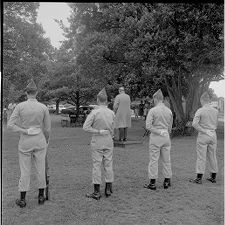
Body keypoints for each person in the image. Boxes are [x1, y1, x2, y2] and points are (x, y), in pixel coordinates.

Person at [7, 79, 51, 208]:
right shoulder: (43, 107)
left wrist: (24, 130)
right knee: (41, 168)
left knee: (25, 170)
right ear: (36, 92)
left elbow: (10, 125)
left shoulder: (20, 106)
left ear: (26, 92)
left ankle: (22, 199)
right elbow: (47, 129)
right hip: (39, 140)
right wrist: (46, 140)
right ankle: (41, 196)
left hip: (25, 140)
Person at [83, 87, 115, 200]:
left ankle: (97, 192)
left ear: (98, 100)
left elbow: (85, 127)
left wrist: (97, 131)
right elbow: (113, 127)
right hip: (108, 139)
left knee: (96, 165)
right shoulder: (111, 113)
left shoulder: (94, 113)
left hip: (97, 139)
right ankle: (108, 189)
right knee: (108, 164)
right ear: (106, 101)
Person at [144, 89, 173, 190]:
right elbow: (170, 127)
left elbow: (148, 126)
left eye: (153, 99)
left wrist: (158, 132)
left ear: (156, 98)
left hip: (156, 137)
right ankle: (166, 181)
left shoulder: (153, 110)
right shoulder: (169, 111)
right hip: (166, 137)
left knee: (153, 160)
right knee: (167, 160)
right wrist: (165, 133)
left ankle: (152, 183)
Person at [189, 92, 219, 184]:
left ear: (202, 100)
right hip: (213, 134)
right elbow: (216, 124)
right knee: (212, 156)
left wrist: (204, 130)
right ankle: (213, 177)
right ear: (209, 100)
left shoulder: (200, 110)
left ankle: (198, 178)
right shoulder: (216, 111)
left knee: (201, 157)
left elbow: (194, 124)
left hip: (203, 134)